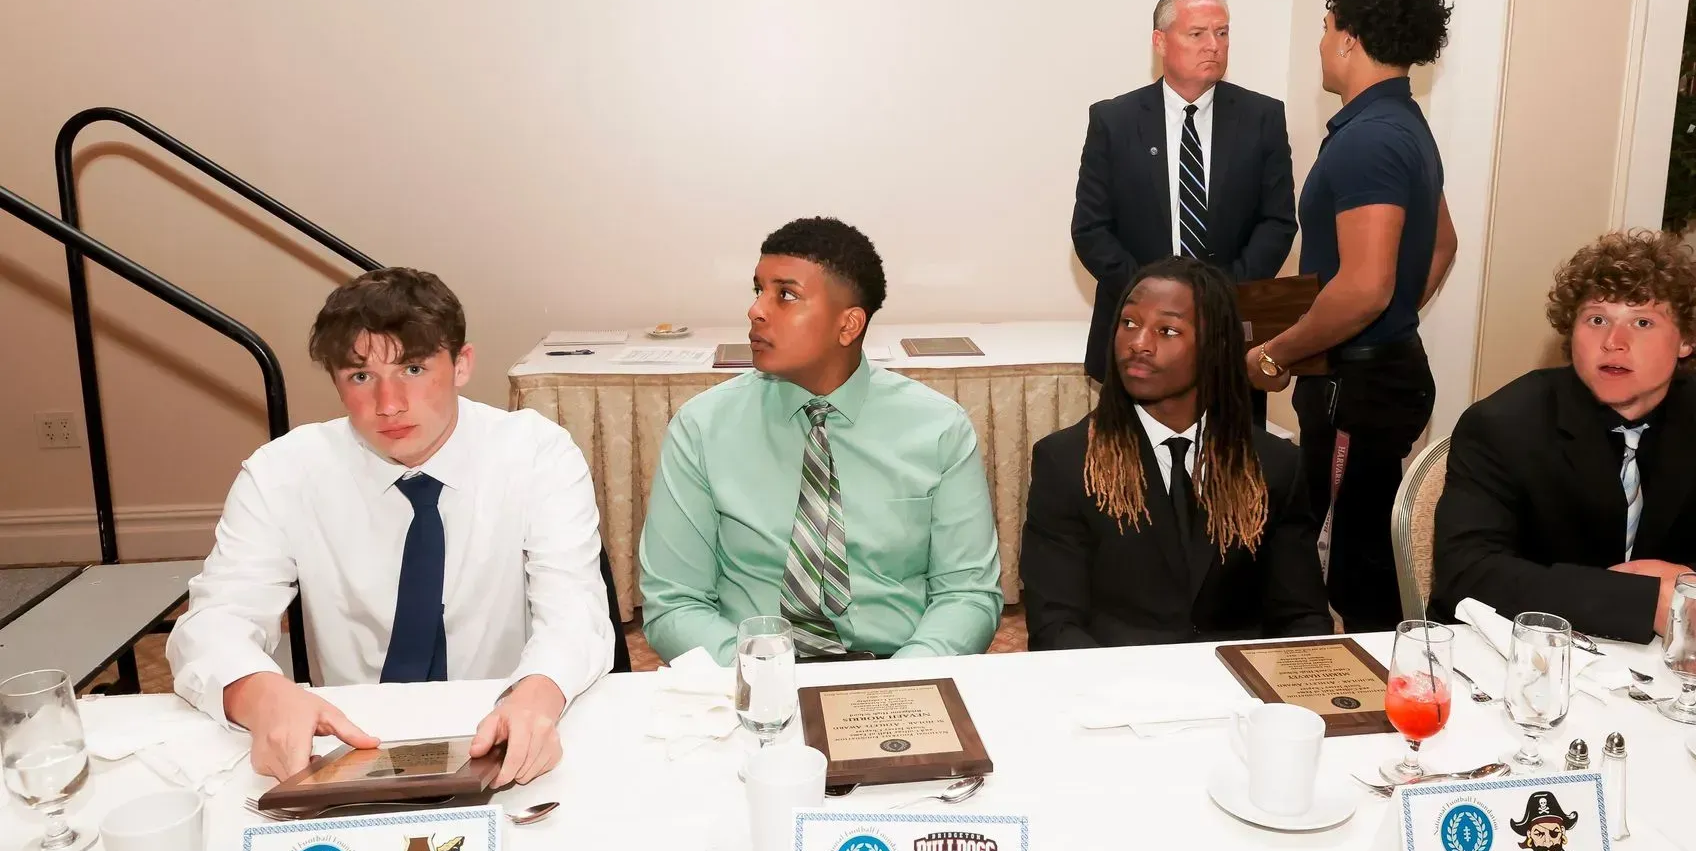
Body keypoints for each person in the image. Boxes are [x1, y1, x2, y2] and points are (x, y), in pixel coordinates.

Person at [169, 268, 612, 785]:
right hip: (349, 738)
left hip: (502, 716)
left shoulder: (538, 455)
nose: (389, 404)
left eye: (413, 369)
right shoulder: (282, 473)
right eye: (360, 376)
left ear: (462, 364)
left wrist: (538, 692)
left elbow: (575, 611)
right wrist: (261, 693)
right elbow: (212, 622)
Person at [1431, 231, 1696, 642]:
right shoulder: (1504, 424)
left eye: (1643, 322)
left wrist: (1690, 585)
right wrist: (1642, 601)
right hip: (1536, 657)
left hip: (1676, 663)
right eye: (1597, 319)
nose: (1614, 342)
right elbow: (1467, 573)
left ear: (1687, 339)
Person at [640, 217, 1002, 662]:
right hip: (743, 670)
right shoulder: (703, 428)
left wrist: (899, 681)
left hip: (895, 667)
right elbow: (674, 601)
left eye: (786, 295)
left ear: (848, 325)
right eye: (758, 290)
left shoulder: (938, 428)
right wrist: (760, 676)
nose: (756, 311)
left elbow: (967, 594)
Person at [1247, 0, 1457, 632]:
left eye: (1326, 24)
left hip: (1357, 392)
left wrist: (1278, 354)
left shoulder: (1370, 140)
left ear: (1349, 37)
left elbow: (1364, 287)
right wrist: (1385, 322)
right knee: (1361, 552)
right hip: (1375, 375)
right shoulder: (1403, 126)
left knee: (1344, 574)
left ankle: (1368, 708)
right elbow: (1441, 246)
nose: (1320, 42)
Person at [1023, 258, 1330, 647]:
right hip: (1114, 685)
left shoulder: (1273, 465)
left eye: (1167, 330)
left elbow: (1301, 617)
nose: (1138, 343)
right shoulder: (1066, 463)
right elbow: (1055, 624)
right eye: (1129, 323)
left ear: (1216, 346)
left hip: (1240, 689)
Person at [1071, 0, 1297, 381]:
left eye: (1222, 33)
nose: (1214, 45)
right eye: (1198, 34)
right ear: (1160, 42)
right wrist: (1154, 299)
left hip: (1229, 332)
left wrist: (1220, 295)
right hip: (1135, 339)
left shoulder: (1262, 117)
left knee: (1230, 445)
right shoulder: (1114, 121)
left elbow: (1277, 221)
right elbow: (1091, 229)